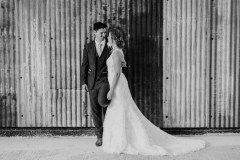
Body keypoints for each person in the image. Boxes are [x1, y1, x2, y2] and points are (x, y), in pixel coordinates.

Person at [102, 26, 206, 155]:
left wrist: (111, 91)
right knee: (122, 110)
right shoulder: (117, 52)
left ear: (112, 38)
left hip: (117, 85)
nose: (107, 37)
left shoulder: (117, 53)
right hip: (118, 83)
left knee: (122, 109)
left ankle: (125, 140)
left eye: (108, 36)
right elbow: (122, 65)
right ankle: (121, 138)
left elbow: (117, 73)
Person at [81, 22, 111, 147]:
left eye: (105, 32)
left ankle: (109, 133)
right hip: (91, 82)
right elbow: (84, 65)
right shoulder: (88, 47)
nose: (104, 35)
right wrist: (83, 82)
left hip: (105, 81)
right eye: (101, 33)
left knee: (104, 104)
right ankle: (99, 136)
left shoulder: (109, 47)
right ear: (95, 33)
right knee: (95, 110)